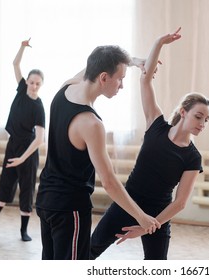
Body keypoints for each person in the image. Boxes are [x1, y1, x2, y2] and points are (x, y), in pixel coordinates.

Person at [90, 28, 209, 260]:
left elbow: (180, 203)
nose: (202, 123)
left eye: (206, 120)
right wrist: (159, 43)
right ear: (184, 112)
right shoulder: (156, 124)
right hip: (128, 201)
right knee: (90, 250)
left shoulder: (193, 158)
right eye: (198, 116)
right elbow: (145, 79)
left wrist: (147, 226)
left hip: (159, 214)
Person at [35, 44, 160, 260]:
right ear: (104, 78)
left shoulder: (65, 89)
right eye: (120, 79)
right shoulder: (91, 124)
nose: (121, 86)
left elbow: (100, 58)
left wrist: (135, 62)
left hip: (46, 201)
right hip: (70, 209)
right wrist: (141, 217)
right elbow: (109, 181)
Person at [0, 38, 46, 242]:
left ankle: (23, 230)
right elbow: (15, 64)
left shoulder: (39, 107)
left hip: (28, 151)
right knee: (6, 183)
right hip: (13, 146)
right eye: (32, 82)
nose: (34, 86)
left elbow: (39, 140)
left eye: (38, 84)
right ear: (27, 81)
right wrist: (22, 47)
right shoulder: (20, 89)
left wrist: (22, 159)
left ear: (41, 85)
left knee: (26, 191)